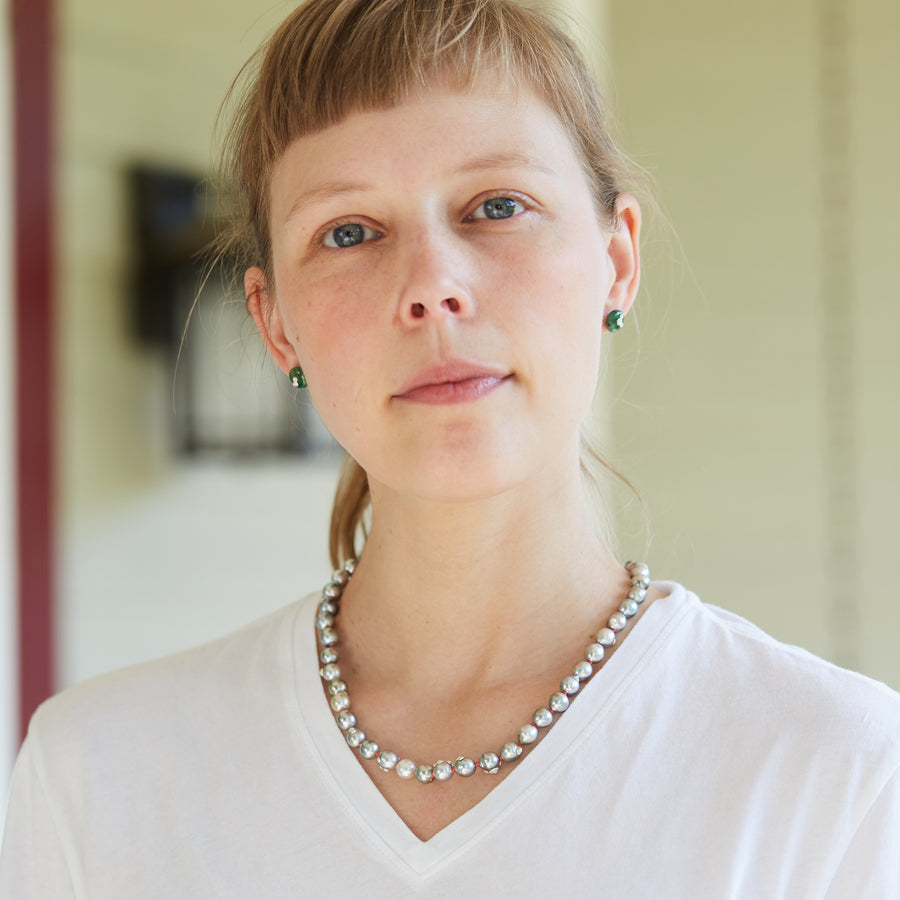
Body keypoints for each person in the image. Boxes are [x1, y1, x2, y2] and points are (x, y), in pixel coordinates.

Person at [2, 0, 899, 896]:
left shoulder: (838, 775)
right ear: (276, 325)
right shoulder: (98, 778)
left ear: (618, 259)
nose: (432, 286)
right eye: (348, 232)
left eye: (497, 206)